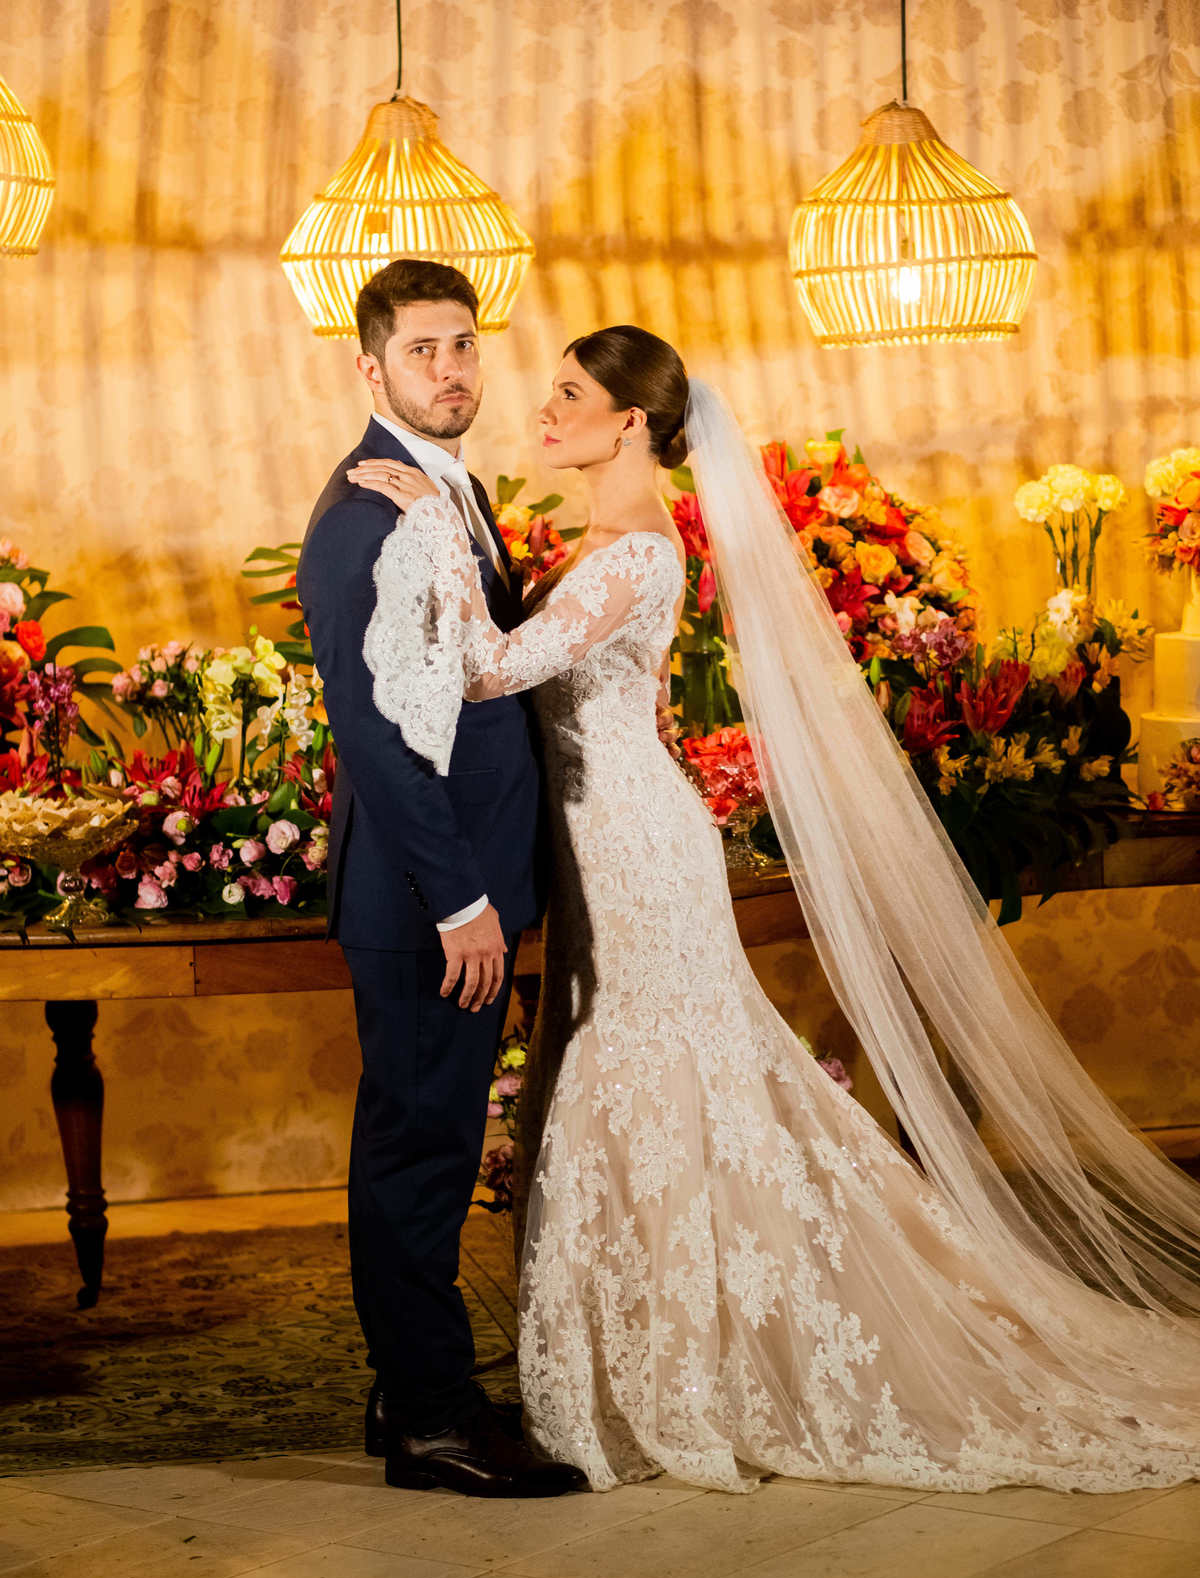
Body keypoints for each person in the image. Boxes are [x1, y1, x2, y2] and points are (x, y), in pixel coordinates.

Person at [350, 324, 1200, 1496]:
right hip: (602, 841)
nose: (539, 412)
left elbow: (492, 668)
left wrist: (435, 523)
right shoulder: (601, 535)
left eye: (566, 395)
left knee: (657, 1074)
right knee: (643, 1076)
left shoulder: (637, 556)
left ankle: (696, 1364)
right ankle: (661, 1345)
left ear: (630, 423)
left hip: (640, 845)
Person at [297, 258, 585, 1499]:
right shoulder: (367, 516)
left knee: (430, 1138)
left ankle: (406, 1386)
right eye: (423, 351)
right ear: (370, 369)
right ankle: (431, 1424)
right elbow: (377, 731)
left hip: (463, 887)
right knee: (420, 1151)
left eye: (464, 345)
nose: (452, 369)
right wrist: (464, 901)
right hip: (430, 902)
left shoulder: (439, 494)